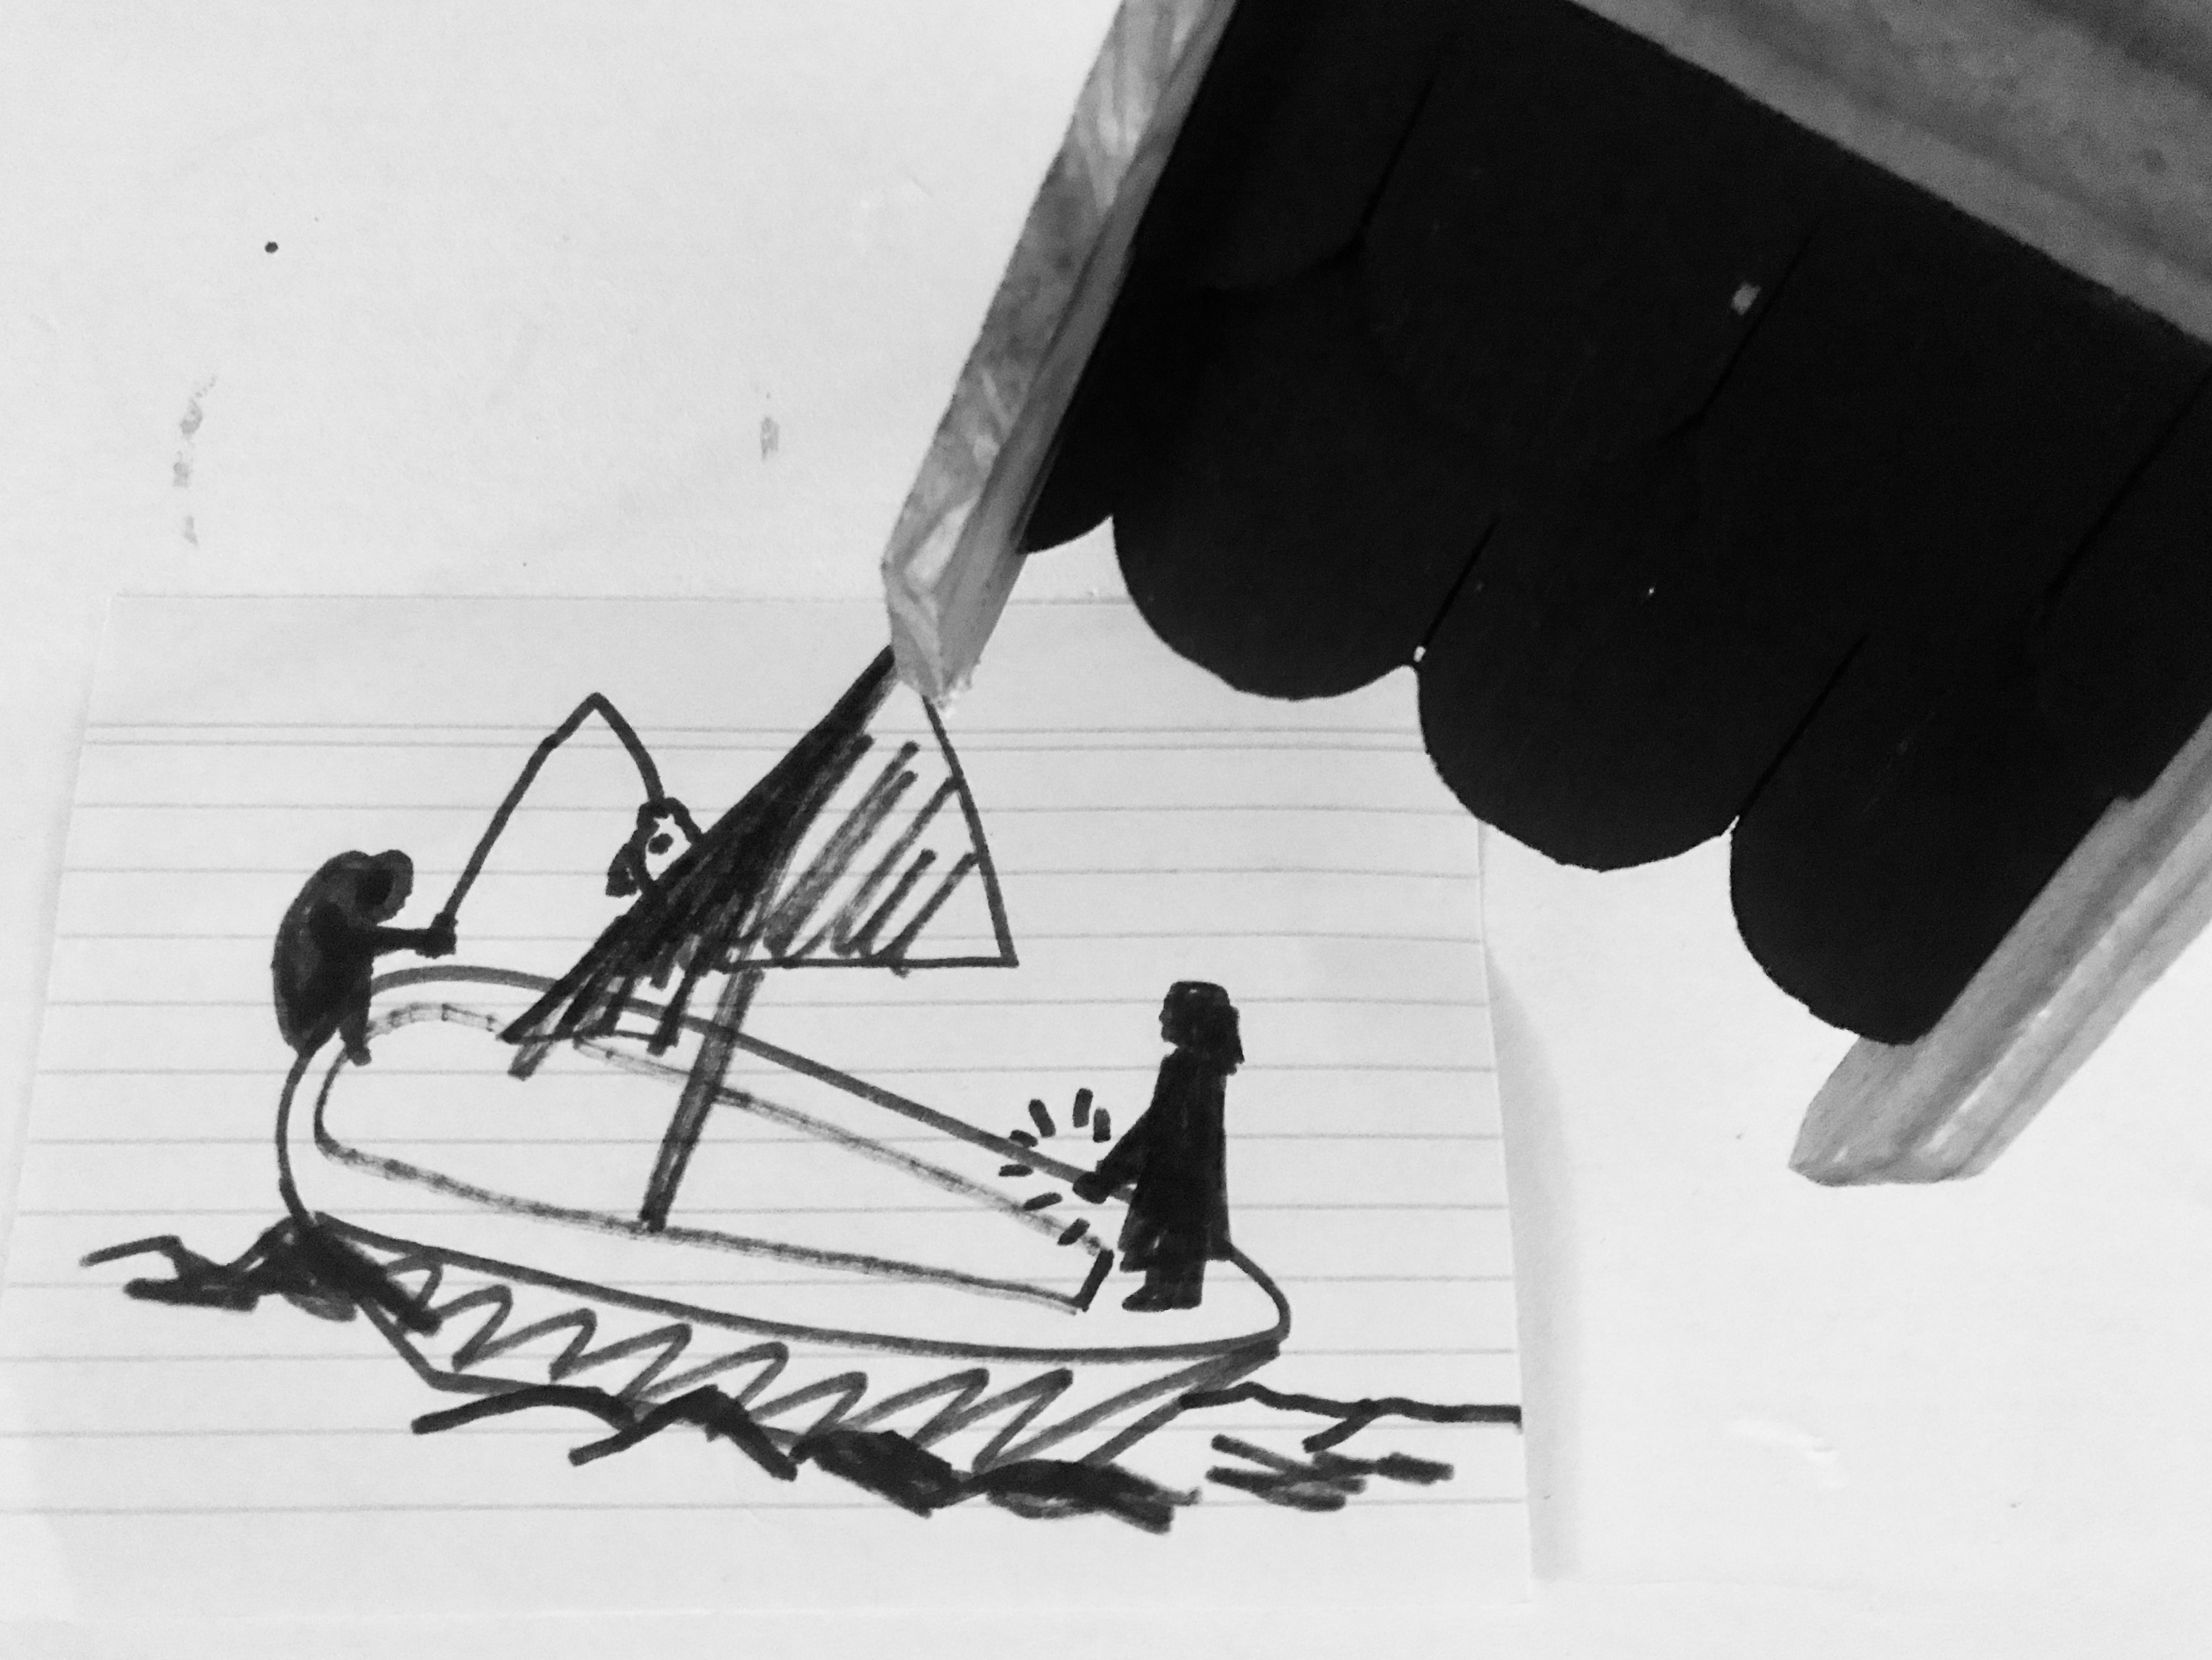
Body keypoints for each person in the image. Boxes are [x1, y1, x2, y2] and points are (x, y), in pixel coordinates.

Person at [1073, 981, 1243, 1311]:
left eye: (1169, 1010)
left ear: (1191, 1021)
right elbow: (1160, 1123)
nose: (1162, 1018)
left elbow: (1157, 1124)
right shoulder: (1205, 1067)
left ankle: (1169, 1291)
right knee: (1181, 1228)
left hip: (1178, 1167)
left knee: (1173, 1225)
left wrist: (1109, 1177)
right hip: (1186, 1166)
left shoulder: (1187, 1067)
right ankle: (1176, 1291)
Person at [271, 850, 455, 1064]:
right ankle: (351, 1040)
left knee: (358, 961)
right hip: (303, 1013)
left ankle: (353, 1041)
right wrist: (421, 940)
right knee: (356, 954)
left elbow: (358, 968)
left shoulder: (349, 928)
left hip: (317, 1013)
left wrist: (425, 940)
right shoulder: (326, 907)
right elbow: (356, 944)